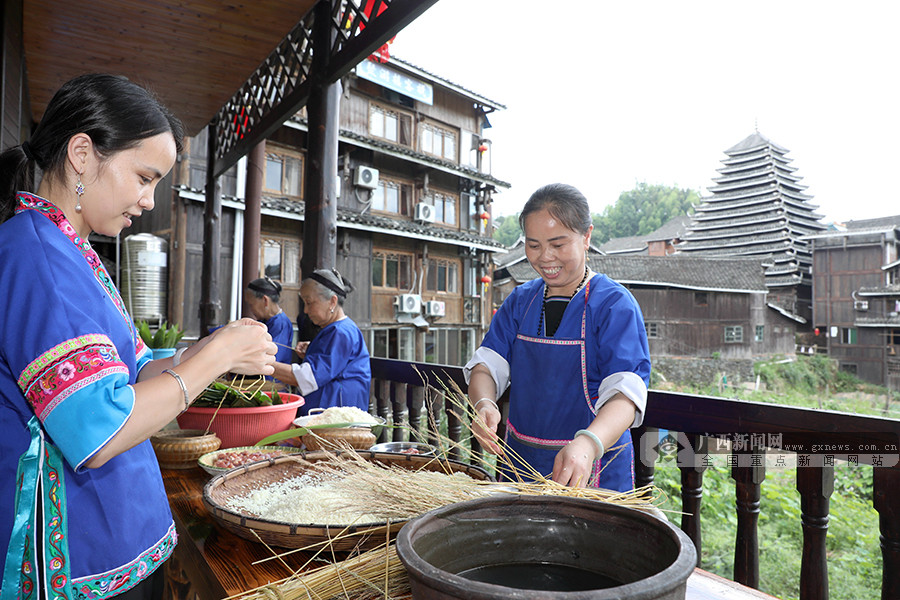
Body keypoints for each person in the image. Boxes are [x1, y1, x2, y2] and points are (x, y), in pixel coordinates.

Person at [0, 74, 277, 599]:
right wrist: (214, 355)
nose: (150, 200)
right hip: (72, 558)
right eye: (144, 177)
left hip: (117, 538)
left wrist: (206, 353)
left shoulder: (73, 253)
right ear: (82, 153)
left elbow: (137, 370)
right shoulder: (37, 256)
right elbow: (97, 431)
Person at [464, 183, 651, 492]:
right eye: (534, 245)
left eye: (558, 244)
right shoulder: (520, 302)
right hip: (520, 465)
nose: (546, 257)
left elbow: (625, 395)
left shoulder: (613, 305)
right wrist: (484, 403)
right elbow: (486, 366)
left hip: (592, 469)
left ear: (587, 236)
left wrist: (589, 443)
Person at [272, 268, 371, 414]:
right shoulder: (337, 329)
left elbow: (307, 377)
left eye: (309, 302)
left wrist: (263, 364)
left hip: (338, 421)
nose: (305, 310)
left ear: (332, 301)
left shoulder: (341, 332)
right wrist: (312, 350)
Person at [244, 276, 295, 364]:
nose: (251, 310)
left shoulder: (281, 324)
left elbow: (270, 357)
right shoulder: (263, 321)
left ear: (265, 300)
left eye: (251, 305)